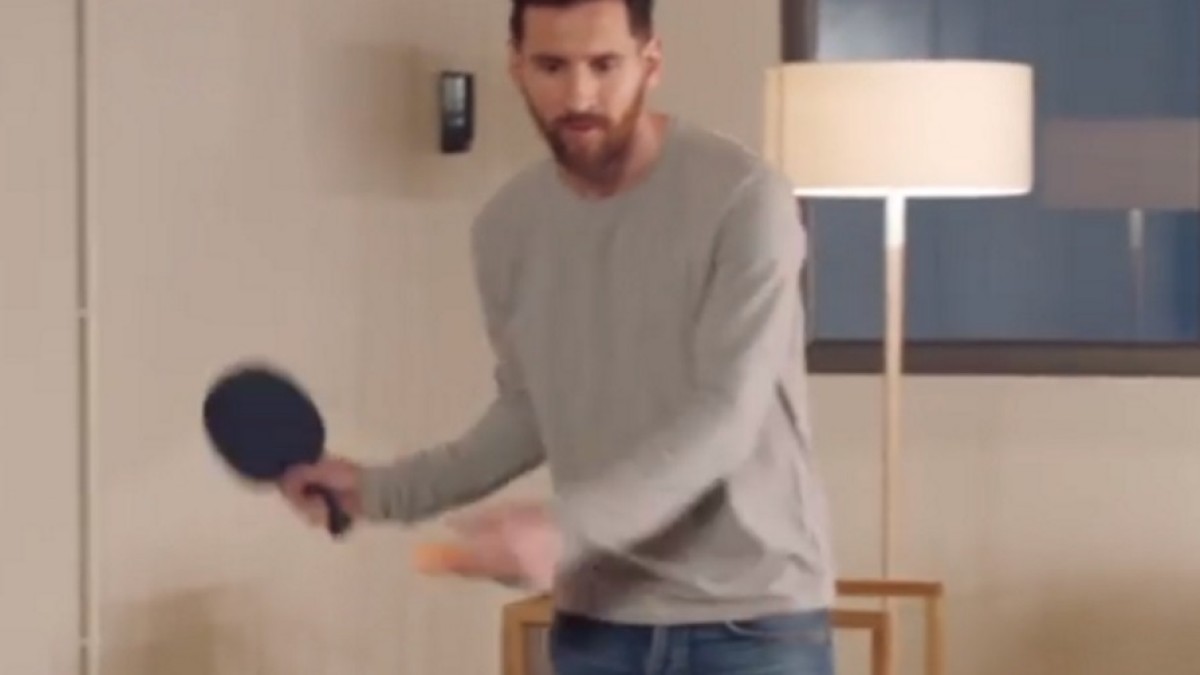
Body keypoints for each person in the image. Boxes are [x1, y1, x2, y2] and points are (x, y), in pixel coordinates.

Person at [279, 0, 836, 672]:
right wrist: (375, 490)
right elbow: (528, 412)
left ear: (650, 63)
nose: (578, 95)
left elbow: (726, 415)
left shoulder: (745, 198)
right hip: (597, 626)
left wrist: (563, 529)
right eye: (552, 66)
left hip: (753, 626)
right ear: (517, 67)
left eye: (604, 65)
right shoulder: (507, 228)